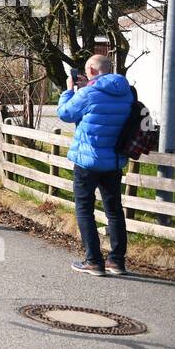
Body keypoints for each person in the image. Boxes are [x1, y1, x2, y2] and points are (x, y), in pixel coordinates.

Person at [56, 54, 133, 276]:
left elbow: (65, 113)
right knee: (114, 211)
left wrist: (69, 90)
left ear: (90, 69)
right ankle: (117, 261)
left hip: (87, 162)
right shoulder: (126, 91)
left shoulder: (89, 93)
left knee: (84, 210)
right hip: (114, 161)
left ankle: (94, 261)